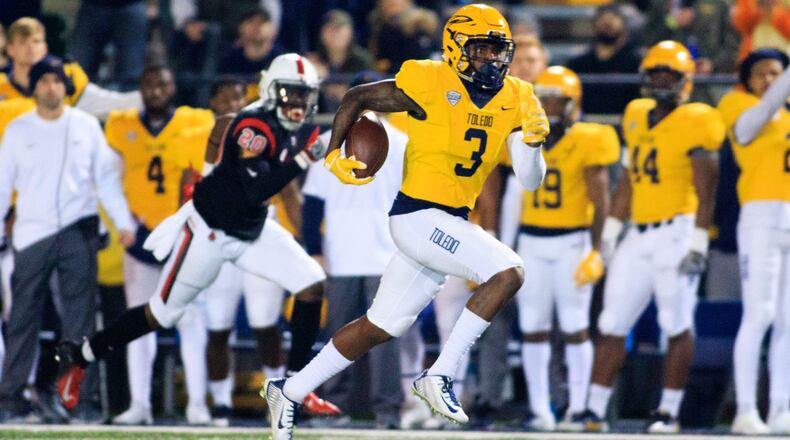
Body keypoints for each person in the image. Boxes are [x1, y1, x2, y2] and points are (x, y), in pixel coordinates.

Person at [262, 5, 549, 439]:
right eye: (482, 49)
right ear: (455, 49)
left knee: (381, 325)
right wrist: (335, 154)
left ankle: (289, 389)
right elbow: (357, 98)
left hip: (450, 222)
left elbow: (529, 181)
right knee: (508, 272)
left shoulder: (518, 96)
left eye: (497, 51)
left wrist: (533, 144)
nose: (492, 59)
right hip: (418, 215)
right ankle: (440, 374)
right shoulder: (432, 80)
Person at [53, 54, 332, 419]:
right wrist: (300, 160)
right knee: (162, 314)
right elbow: (255, 187)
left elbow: (232, 151)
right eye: (291, 94)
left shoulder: (298, 128)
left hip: (252, 227)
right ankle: (80, 355)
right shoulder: (253, 125)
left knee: (312, 283)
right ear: (270, 91)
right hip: (210, 233)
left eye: (304, 96)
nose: (298, 104)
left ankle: (295, 387)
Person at [578, 41, 724, 434]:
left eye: (669, 75)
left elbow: (707, 186)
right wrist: (608, 235)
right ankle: (591, 411)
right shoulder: (636, 114)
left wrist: (698, 241)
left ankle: (668, 412)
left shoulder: (699, 119)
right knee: (611, 322)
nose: (661, 82)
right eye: (655, 74)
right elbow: (627, 179)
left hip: (677, 230)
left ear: (685, 81)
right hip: (637, 233)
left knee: (676, 322)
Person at [0, 56, 135, 420]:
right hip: (31, 232)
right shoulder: (18, 129)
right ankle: (11, 398)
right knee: (22, 319)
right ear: (34, 88)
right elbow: (2, 184)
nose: (51, 87)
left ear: (66, 87)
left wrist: (123, 222)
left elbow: (106, 178)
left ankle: (79, 401)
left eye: (57, 81)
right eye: (44, 81)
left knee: (79, 323)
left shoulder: (87, 125)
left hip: (78, 228)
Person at [104, 65, 215, 425]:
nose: (156, 90)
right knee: (139, 321)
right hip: (139, 235)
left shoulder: (194, 122)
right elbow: (108, 177)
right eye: (150, 84)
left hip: (182, 234)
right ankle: (140, 403)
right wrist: (124, 222)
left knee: (191, 319)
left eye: (163, 83)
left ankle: (197, 403)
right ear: (141, 87)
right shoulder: (121, 125)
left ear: (174, 87)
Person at [513, 66, 619, 432]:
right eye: (545, 99)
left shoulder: (590, 138)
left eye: (558, 100)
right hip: (530, 239)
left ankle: (578, 407)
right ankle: (540, 409)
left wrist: (597, 250)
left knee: (575, 327)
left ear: (574, 104)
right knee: (532, 327)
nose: (551, 106)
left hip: (573, 240)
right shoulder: (523, 136)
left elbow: (601, 200)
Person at [302, 71, 408, 429]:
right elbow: (312, 204)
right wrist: (315, 248)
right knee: (346, 338)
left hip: (380, 252)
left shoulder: (401, 142)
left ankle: (384, 410)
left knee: (370, 339)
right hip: (353, 253)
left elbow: (311, 204)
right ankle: (350, 407)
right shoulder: (399, 141)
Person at [719, 48, 790, 435]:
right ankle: (746, 409)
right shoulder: (736, 103)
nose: (768, 80)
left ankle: (782, 407)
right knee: (759, 314)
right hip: (760, 217)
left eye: (774, 72)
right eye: (761, 73)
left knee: (788, 320)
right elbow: (749, 128)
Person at [0, 17, 142, 118]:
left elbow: (112, 103)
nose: (30, 48)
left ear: (45, 47)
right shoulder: (2, 85)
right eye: (23, 42)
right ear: (10, 49)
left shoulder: (66, 75)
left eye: (36, 41)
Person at [566, 5, 641, 114]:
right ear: (593, 25)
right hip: (586, 124)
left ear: (624, 24)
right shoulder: (578, 63)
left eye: (613, 18)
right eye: (602, 19)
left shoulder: (636, 62)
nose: (607, 23)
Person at [70, 0, 146, 90]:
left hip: (131, 6)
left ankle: (131, 104)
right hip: (92, 6)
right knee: (79, 72)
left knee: (131, 76)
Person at [217, 8, 285, 77]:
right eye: (251, 21)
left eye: (262, 22)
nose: (256, 26)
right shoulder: (229, 60)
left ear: (272, 29)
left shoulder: (283, 60)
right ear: (240, 27)